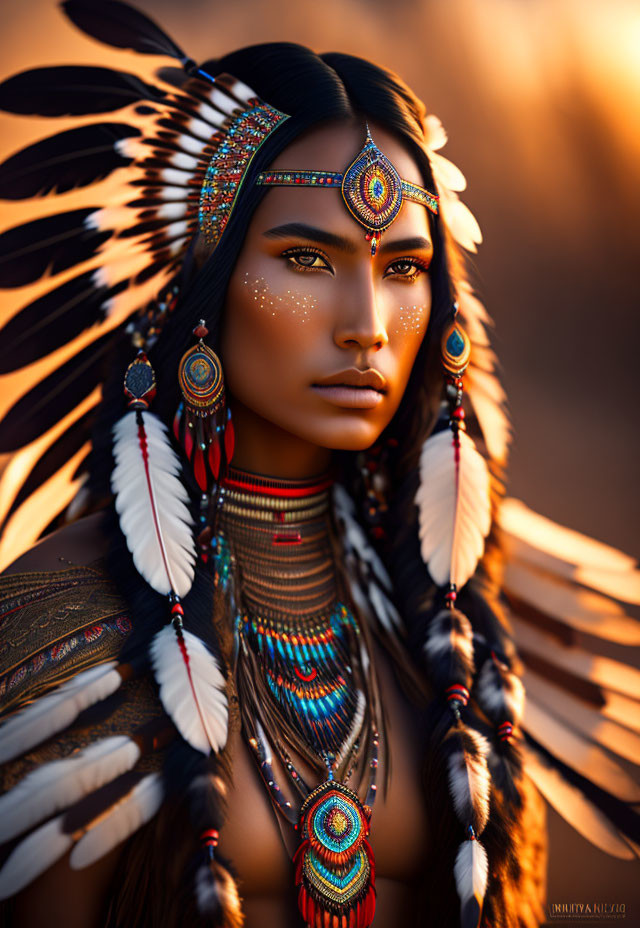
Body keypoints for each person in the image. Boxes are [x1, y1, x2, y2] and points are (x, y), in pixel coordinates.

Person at [0, 3, 637, 927]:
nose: (368, 325)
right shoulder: (63, 626)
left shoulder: (450, 630)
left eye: (405, 268)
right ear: (203, 289)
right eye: (306, 256)